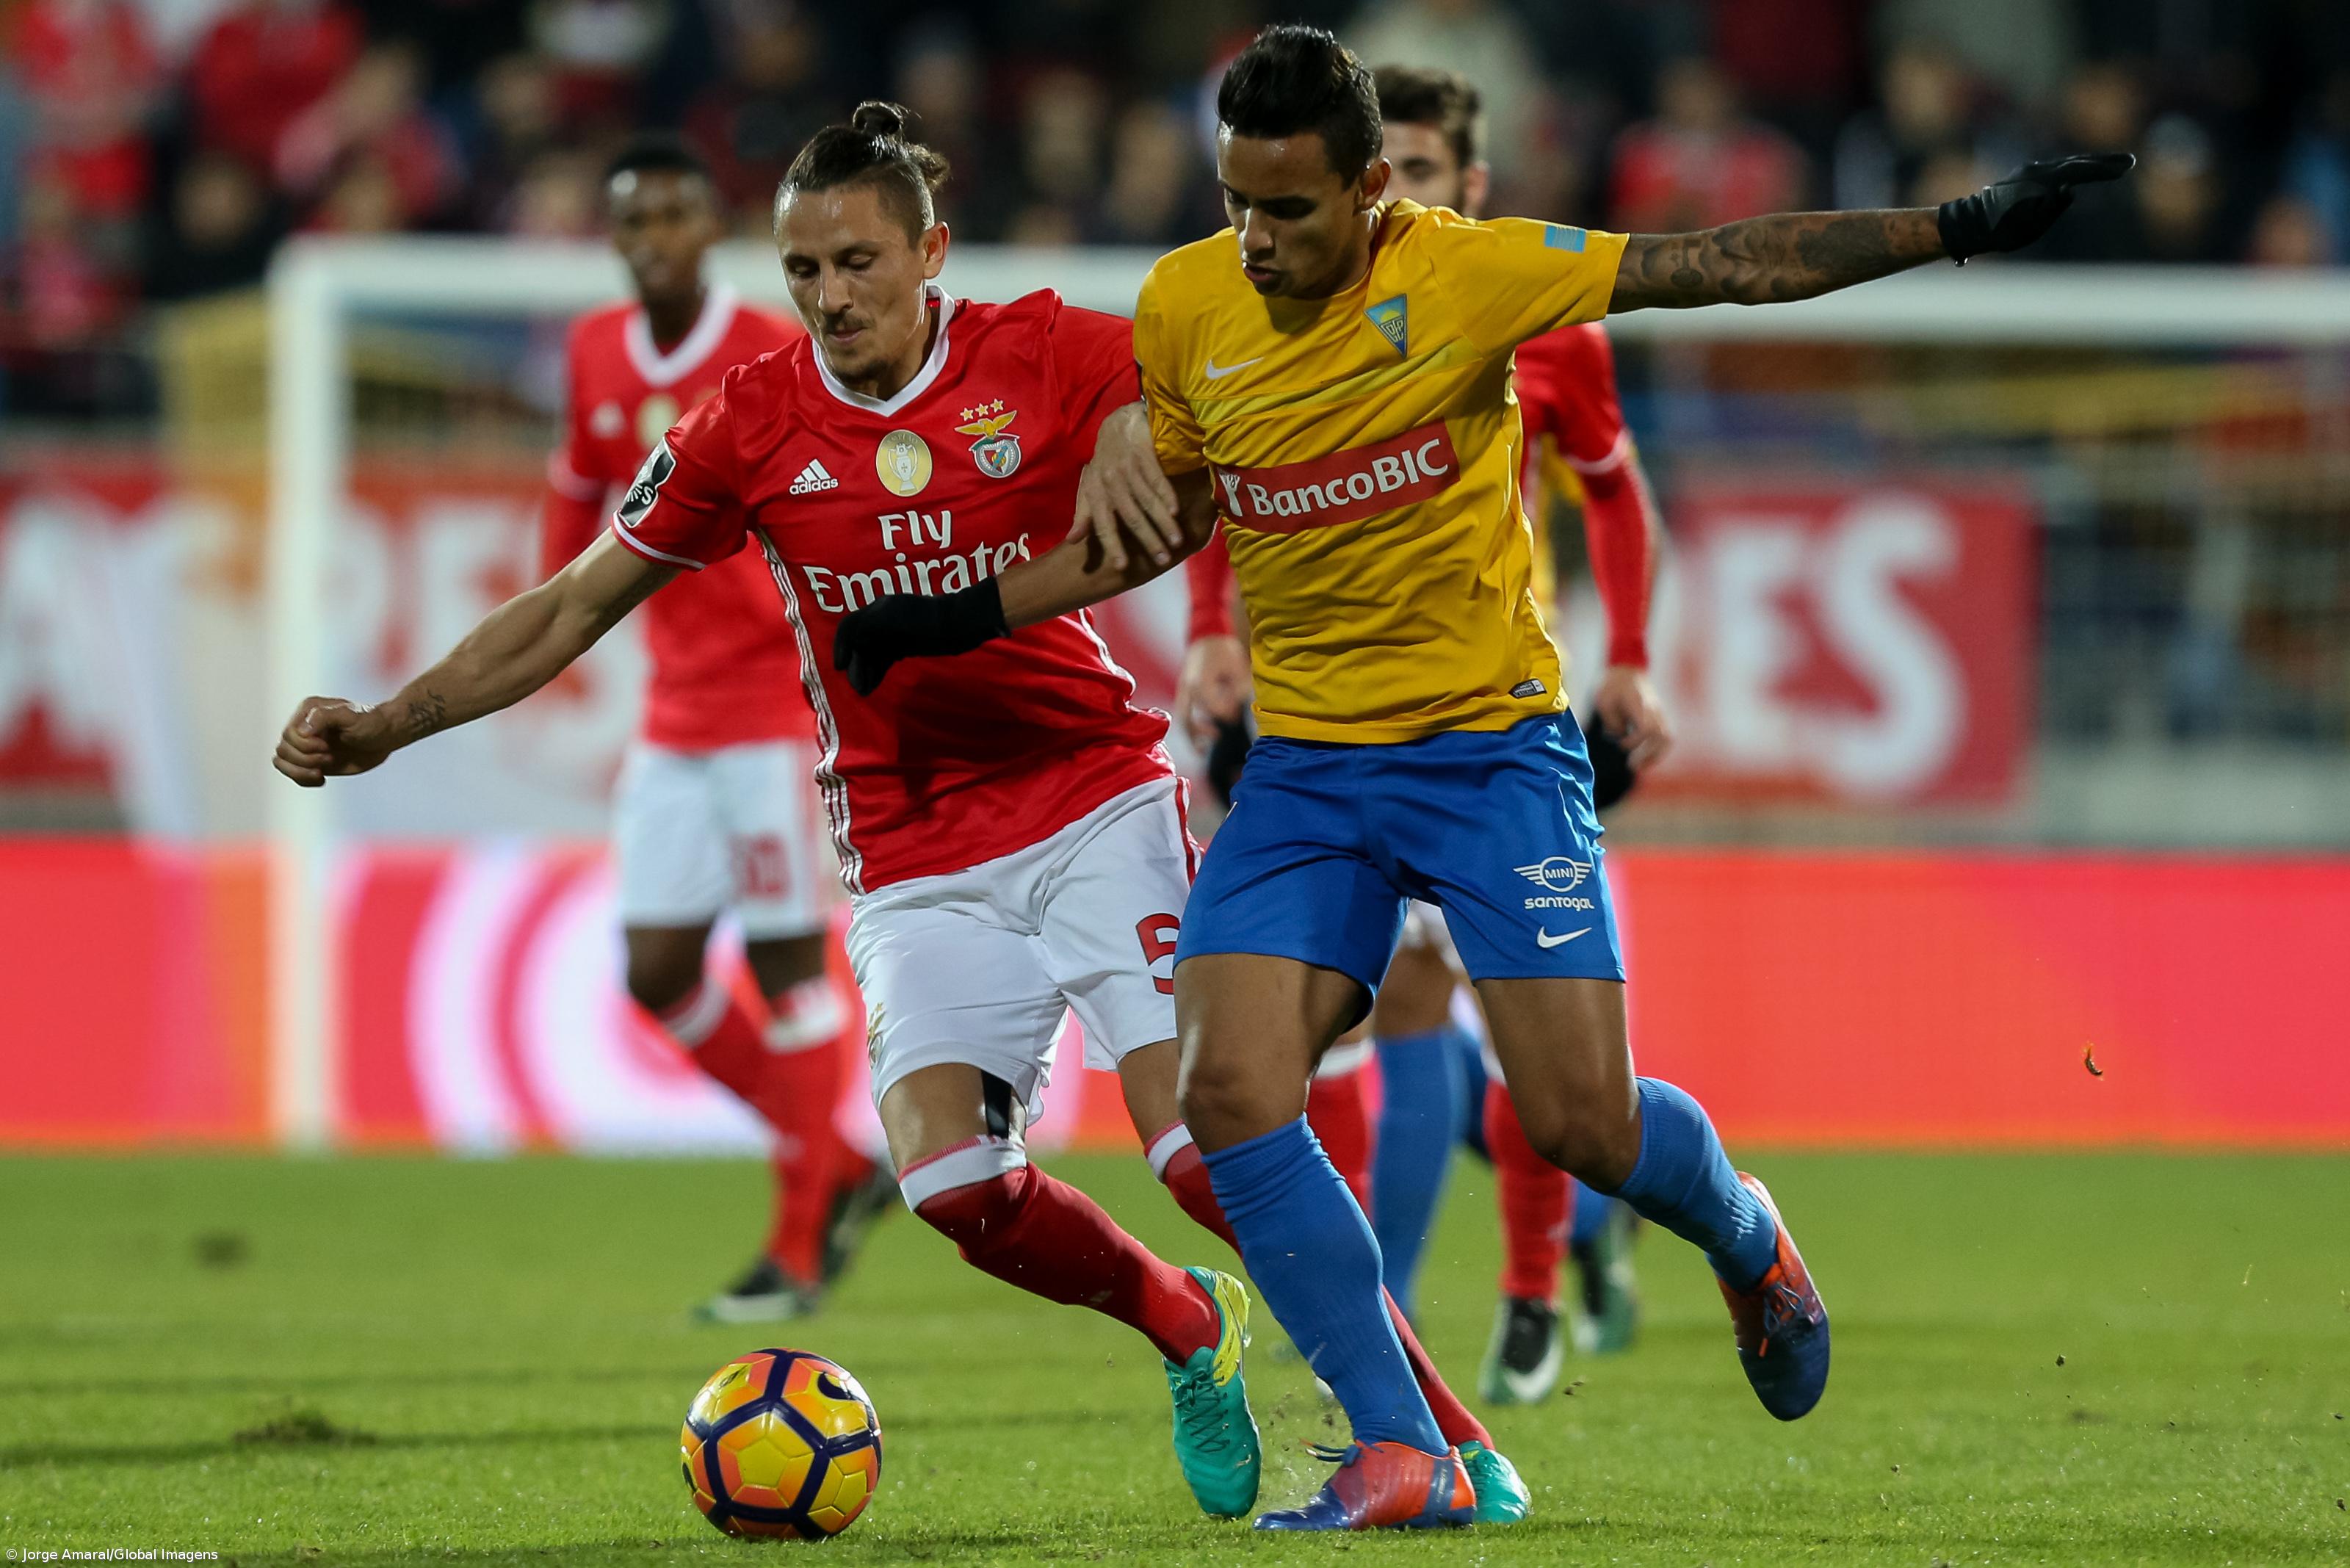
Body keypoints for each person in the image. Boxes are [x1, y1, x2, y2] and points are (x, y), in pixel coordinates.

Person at [830, 24, 2127, 1531]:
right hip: (1312, 773)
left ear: (1372, 187)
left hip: (1491, 752)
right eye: (1235, 202)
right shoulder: (1187, 304)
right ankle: (1406, 1452)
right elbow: (1165, 524)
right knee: (1230, 1093)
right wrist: (957, 614)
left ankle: (1739, 1226)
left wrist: (1953, 228)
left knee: (1579, 1123)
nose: (1252, 238)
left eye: (1289, 210)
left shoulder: (1469, 272)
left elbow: (1725, 265)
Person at [272, 100, 1507, 1524]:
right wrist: (381, 726)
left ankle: (1438, 1434)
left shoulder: (1042, 347)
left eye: (856, 264)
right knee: (954, 1188)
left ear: (932, 252)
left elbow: (1203, 384)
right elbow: (568, 608)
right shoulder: (746, 421)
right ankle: (1187, 1329)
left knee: (1211, 1149)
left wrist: (1138, 437)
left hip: (1091, 797)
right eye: (802, 272)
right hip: (912, 842)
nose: (828, 298)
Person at [1178, 62, 1672, 1401]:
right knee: (1401, 1008)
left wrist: (1629, 658)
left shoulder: (1525, 309)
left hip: (1491, 720)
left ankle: (1535, 1281)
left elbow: (1619, 502)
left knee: (1556, 1084)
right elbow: (1223, 482)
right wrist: (1211, 629)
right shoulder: (1260, 313)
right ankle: (1402, 1314)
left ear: (1459, 183)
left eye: (1434, 169)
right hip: (1330, 728)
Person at [540, 134, 882, 1324]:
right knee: (659, 973)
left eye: (675, 216)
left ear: (712, 228)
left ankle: (797, 1248)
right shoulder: (593, 353)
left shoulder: (772, 350)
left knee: (790, 967)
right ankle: (836, 1163)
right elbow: (576, 501)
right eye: (633, 220)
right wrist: (551, 633)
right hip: (672, 712)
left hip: (775, 711)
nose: (653, 240)